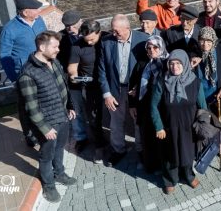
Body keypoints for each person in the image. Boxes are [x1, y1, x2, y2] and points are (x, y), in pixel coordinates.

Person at [18, 31, 77, 203]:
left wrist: (70, 106)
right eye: (55, 46)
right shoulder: (28, 74)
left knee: (59, 148)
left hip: (62, 116)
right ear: (42, 47)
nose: (58, 50)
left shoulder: (55, 62)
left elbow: (63, 86)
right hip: (47, 123)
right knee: (46, 156)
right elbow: (31, 106)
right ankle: (49, 186)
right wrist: (44, 128)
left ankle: (59, 173)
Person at [150, 49, 207, 194]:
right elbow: (153, 106)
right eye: (172, 63)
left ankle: (188, 175)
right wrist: (159, 127)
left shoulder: (195, 82)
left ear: (186, 64)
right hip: (169, 128)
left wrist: (202, 125)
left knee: (188, 153)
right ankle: (170, 179)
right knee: (170, 155)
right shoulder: (162, 82)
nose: (174, 67)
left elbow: (202, 106)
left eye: (178, 64)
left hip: (189, 127)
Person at [97, 14, 149, 166]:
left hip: (136, 90)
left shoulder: (143, 40)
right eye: (112, 31)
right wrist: (106, 94)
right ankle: (118, 149)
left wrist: (140, 87)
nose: (114, 34)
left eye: (117, 31)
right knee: (116, 122)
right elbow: (101, 70)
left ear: (128, 28)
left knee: (138, 121)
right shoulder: (106, 42)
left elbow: (149, 66)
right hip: (115, 90)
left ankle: (140, 149)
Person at [0, 0, 47, 147]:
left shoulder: (39, 20)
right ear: (26, 12)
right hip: (24, 75)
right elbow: (4, 55)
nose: (39, 11)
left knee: (43, 102)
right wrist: (15, 78)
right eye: (36, 9)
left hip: (43, 70)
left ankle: (45, 129)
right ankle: (30, 135)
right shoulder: (10, 29)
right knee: (26, 106)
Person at [195, 27, 221, 160]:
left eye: (208, 41)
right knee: (206, 124)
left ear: (213, 40)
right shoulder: (195, 54)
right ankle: (207, 147)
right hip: (202, 96)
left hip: (219, 94)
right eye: (202, 40)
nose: (205, 44)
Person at [67, 20, 107, 159]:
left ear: (99, 32)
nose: (89, 43)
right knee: (94, 118)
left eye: (92, 39)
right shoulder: (77, 45)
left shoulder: (107, 39)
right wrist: (75, 76)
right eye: (86, 40)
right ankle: (99, 145)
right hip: (90, 86)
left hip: (108, 83)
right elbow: (72, 68)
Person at [128, 36, 168, 173]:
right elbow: (132, 85)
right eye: (149, 48)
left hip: (162, 108)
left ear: (161, 47)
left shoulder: (168, 63)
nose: (151, 50)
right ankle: (150, 164)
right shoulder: (142, 63)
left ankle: (164, 165)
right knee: (146, 137)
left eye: (155, 47)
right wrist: (132, 105)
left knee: (161, 137)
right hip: (144, 107)